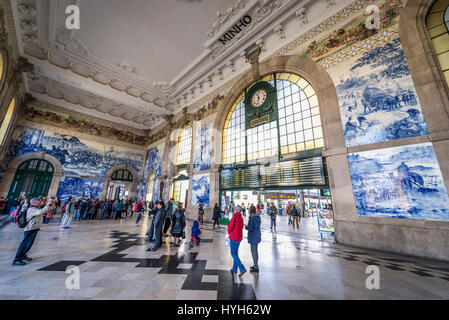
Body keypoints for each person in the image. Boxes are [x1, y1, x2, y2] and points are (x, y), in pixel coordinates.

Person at [12, 198, 52, 266]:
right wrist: (47, 205)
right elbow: (41, 212)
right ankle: (17, 260)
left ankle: (23, 256)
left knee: (29, 244)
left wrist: (48, 205)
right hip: (30, 229)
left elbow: (43, 211)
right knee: (24, 244)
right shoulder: (31, 209)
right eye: (39, 202)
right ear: (35, 203)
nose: (40, 203)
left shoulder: (36, 208)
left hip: (34, 228)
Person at [227, 205, 246, 277]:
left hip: (233, 238)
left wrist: (229, 232)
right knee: (236, 254)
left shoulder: (234, 217)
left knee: (233, 254)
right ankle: (234, 269)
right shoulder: (241, 218)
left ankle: (242, 268)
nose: (234, 210)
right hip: (238, 238)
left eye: (235, 209)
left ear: (236, 210)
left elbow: (230, 226)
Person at [245, 206, 261, 273]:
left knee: (253, 251)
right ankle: (255, 265)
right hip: (257, 235)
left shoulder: (252, 218)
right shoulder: (258, 217)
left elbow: (250, 228)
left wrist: (246, 227)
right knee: (256, 251)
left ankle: (256, 268)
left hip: (253, 236)